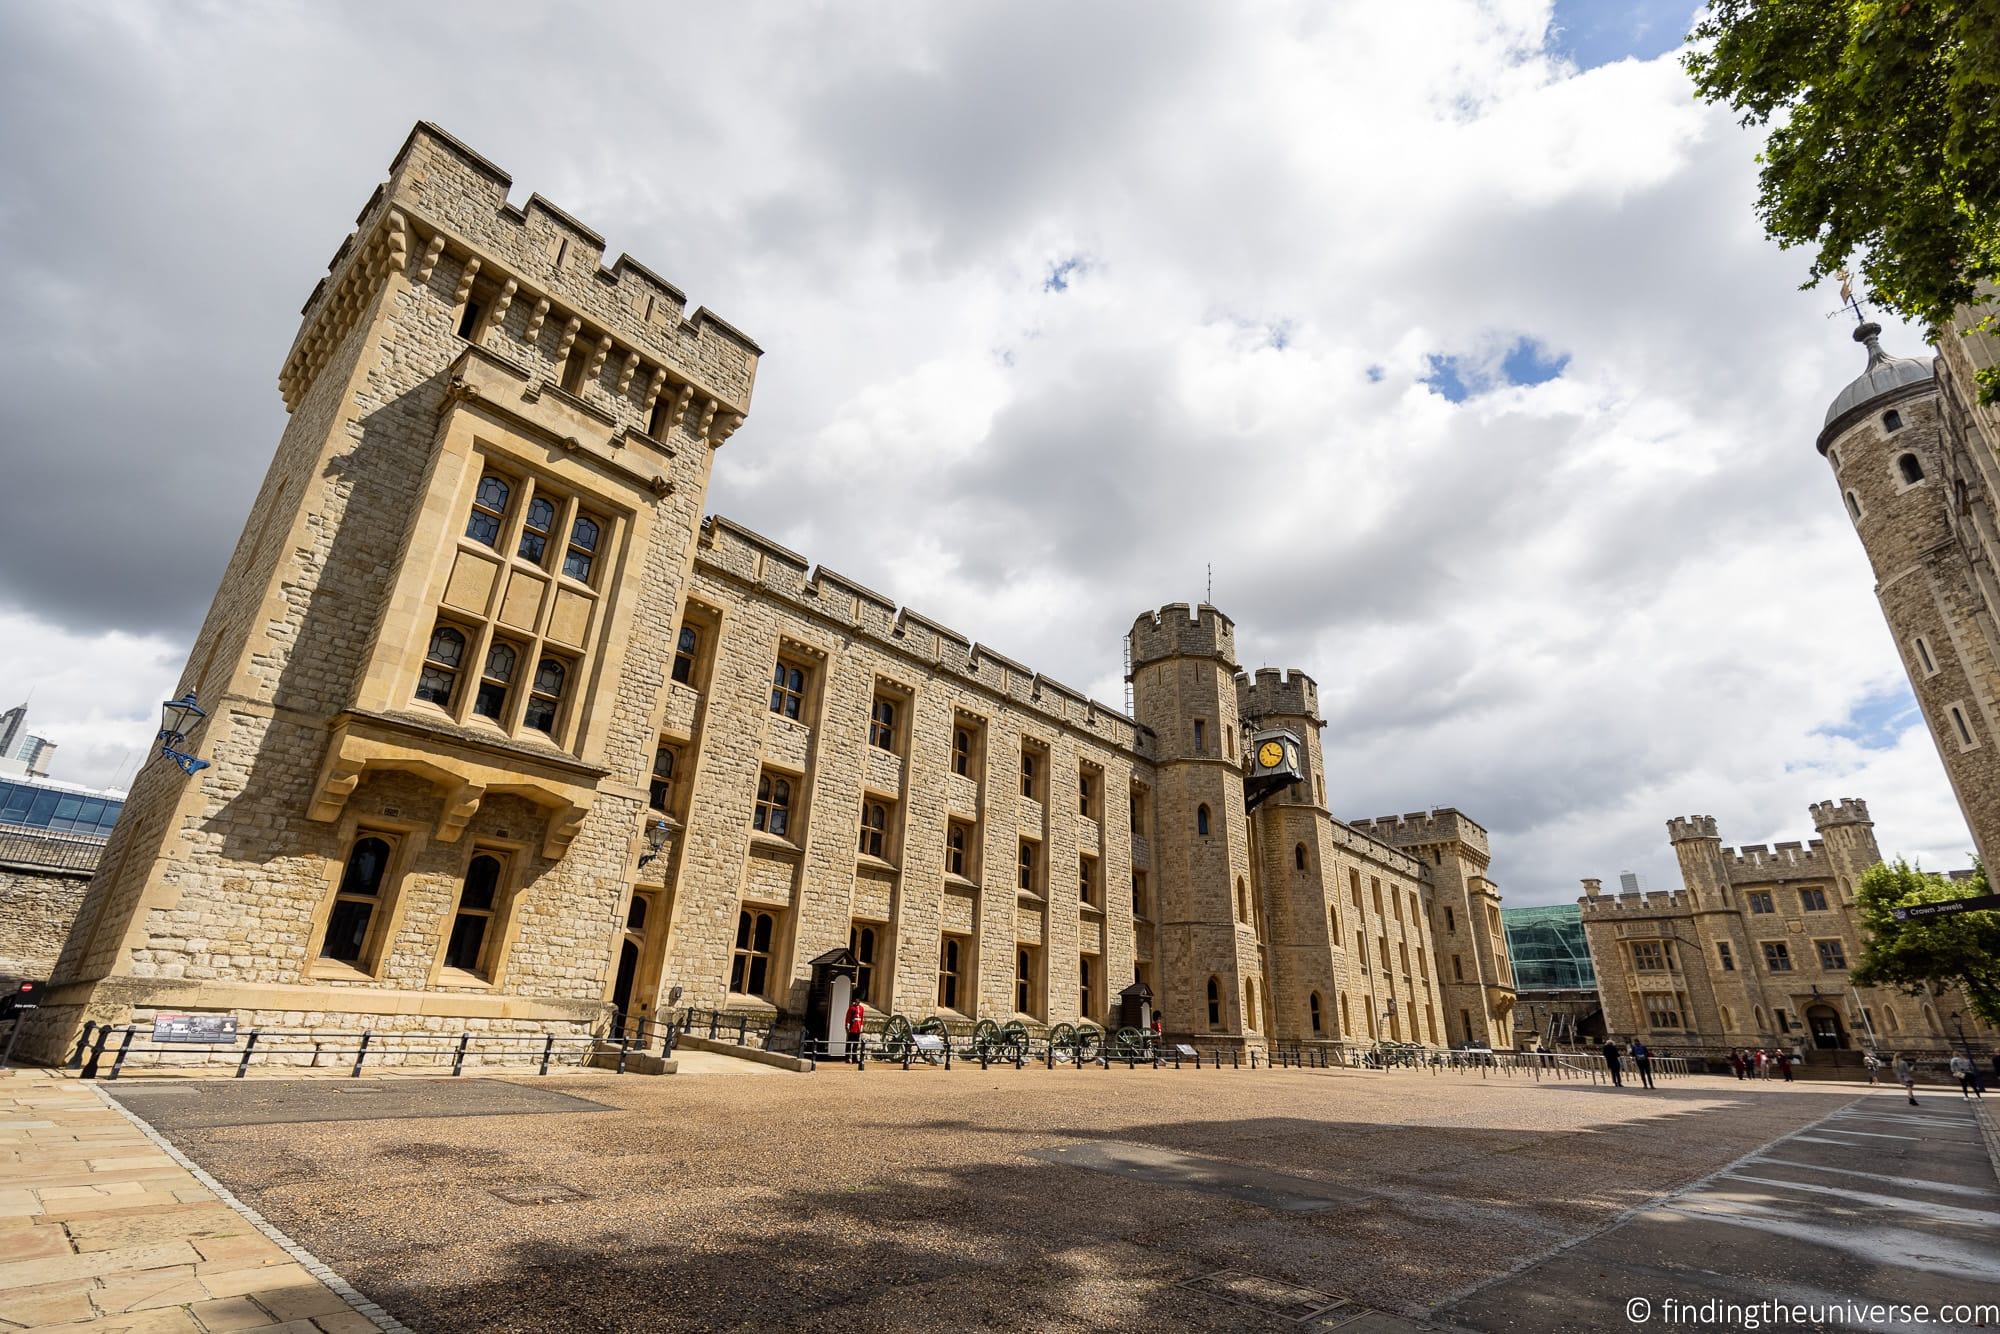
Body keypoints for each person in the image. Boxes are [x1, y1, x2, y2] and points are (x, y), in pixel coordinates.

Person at [844, 997, 865, 1064]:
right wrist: (848, 1025)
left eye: (858, 1002)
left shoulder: (861, 1008)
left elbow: (861, 1018)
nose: (857, 1003)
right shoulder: (852, 1008)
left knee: (855, 1044)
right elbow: (848, 1017)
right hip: (852, 1027)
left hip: (858, 1028)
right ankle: (847, 1058)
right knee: (849, 1044)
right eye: (856, 1001)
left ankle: (854, 1059)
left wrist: (861, 1026)